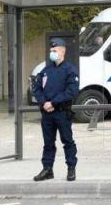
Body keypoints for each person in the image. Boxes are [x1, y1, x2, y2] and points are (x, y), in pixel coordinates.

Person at [32, 39, 79, 182]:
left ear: (63, 51)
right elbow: (37, 88)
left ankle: (71, 168)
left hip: (62, 112)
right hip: (47, 113)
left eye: (55, 50)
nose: (52, 53)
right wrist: (44, 102)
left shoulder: (70, 70)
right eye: (51, 51)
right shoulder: (46, 70)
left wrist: (53, 102)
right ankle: (47, 169)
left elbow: (71, 91)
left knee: (67, 141)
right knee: (48, 143)